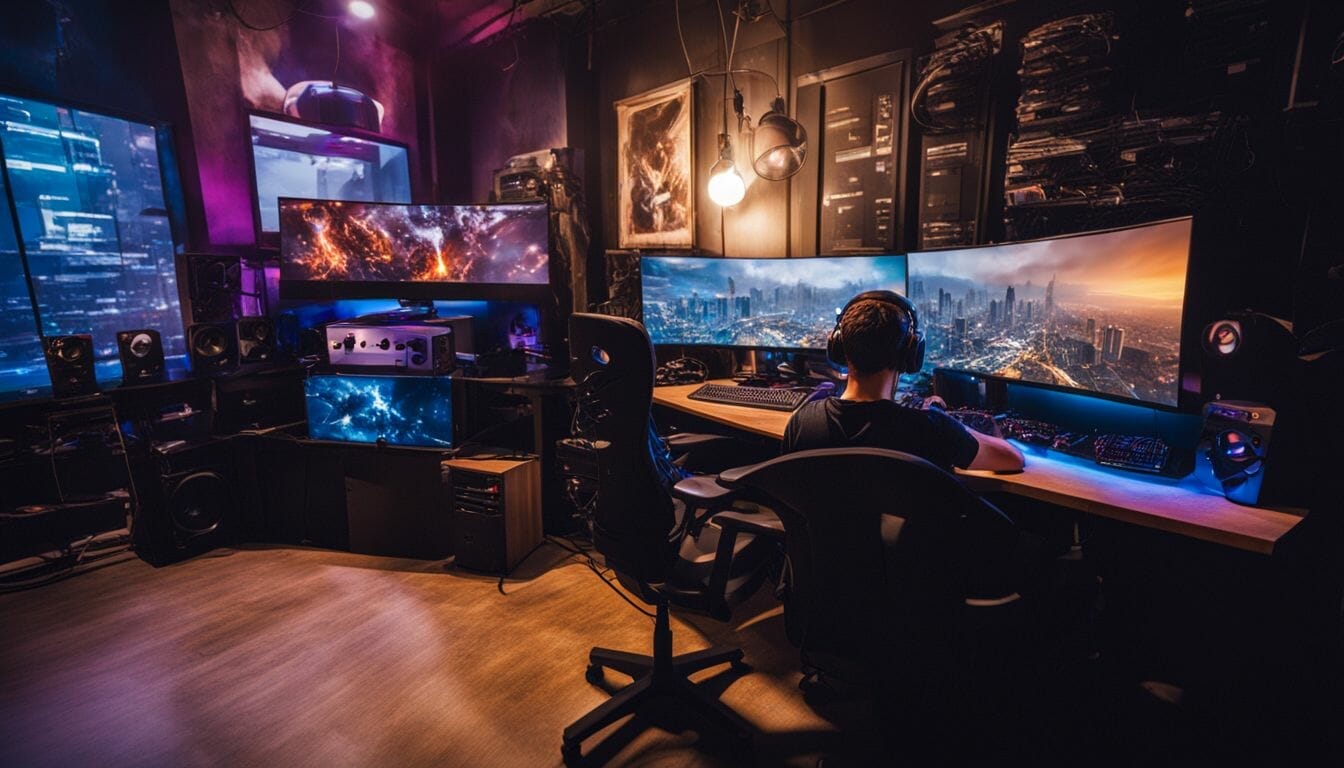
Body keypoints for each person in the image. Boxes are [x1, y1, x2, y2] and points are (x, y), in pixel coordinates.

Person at [782, 290, 1025, 473]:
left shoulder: (802, 422)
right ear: (909, 355)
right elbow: (1012, 458)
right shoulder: (928, 429)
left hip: (821, 542)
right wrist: (948, 421)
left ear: (839, 348)